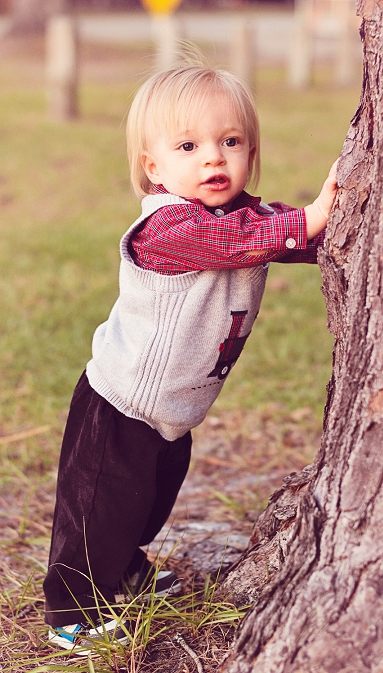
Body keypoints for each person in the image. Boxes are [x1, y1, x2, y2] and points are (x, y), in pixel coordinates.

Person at [43, 63, 338, 654]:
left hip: (174, 407)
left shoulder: (243, 219)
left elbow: (271, 234)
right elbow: (232, 243)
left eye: (230, 142)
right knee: (96, 511)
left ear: (251, 152)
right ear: (154, 167)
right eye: (189, 146)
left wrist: (327, 233)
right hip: (121, 401)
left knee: (144, 502)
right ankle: (71, 611)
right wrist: (307, 220)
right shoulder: (169, 226)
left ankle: (125, 567)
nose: (213, 159)